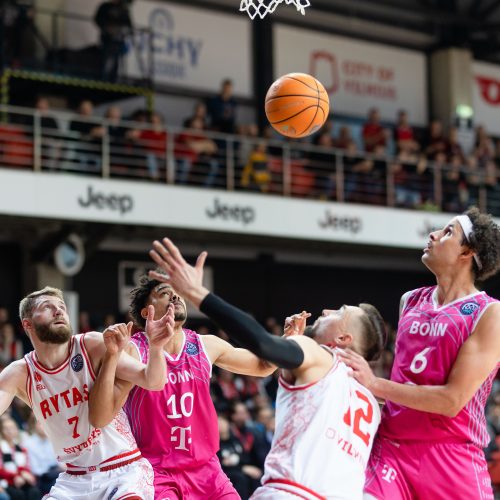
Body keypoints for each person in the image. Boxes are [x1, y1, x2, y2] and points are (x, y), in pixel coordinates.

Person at [144, 237, 387, 499]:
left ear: (343, 339)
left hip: (289, 493)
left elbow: (261, 344)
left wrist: (197, 293)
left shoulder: (319, 355)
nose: (327, 310)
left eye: (339, 312)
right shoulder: (371, 401)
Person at [339, 206, 500, 499]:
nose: (434, 234)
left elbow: (451, 400)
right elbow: (403, 380)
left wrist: (374, 384)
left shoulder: (488, 313)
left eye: (449, 232)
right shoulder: (410, 301)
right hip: (392, 450)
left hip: (451, 457)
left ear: (468, 252)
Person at [89, 275, 277, 499]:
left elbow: (264, 367)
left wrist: (286, 343)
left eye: (177, 293)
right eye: (164, 293)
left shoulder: (205, 344)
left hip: (206, 469)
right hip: (154, 470)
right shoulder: (132, 351)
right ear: (146, 312)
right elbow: (99, 416)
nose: (175, 296)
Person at [0, 285, 175, 499]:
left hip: (123, 469)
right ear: (27, 324)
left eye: (61, 306)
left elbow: (152, 380)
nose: (58, 311)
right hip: (74, 479)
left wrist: (156, 347)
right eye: (48, 307)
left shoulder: (92, 344)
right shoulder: (20, 373)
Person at [94, 0, 132, 81]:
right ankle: (103, 79)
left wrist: (123, 30)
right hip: (107, 39)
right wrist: (107, 28)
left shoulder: (123, 8)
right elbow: (97, 19)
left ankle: (112, 81)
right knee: (107, 60)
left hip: (119, 40)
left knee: (116, 61)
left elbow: (129, 25)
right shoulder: (105, 6)